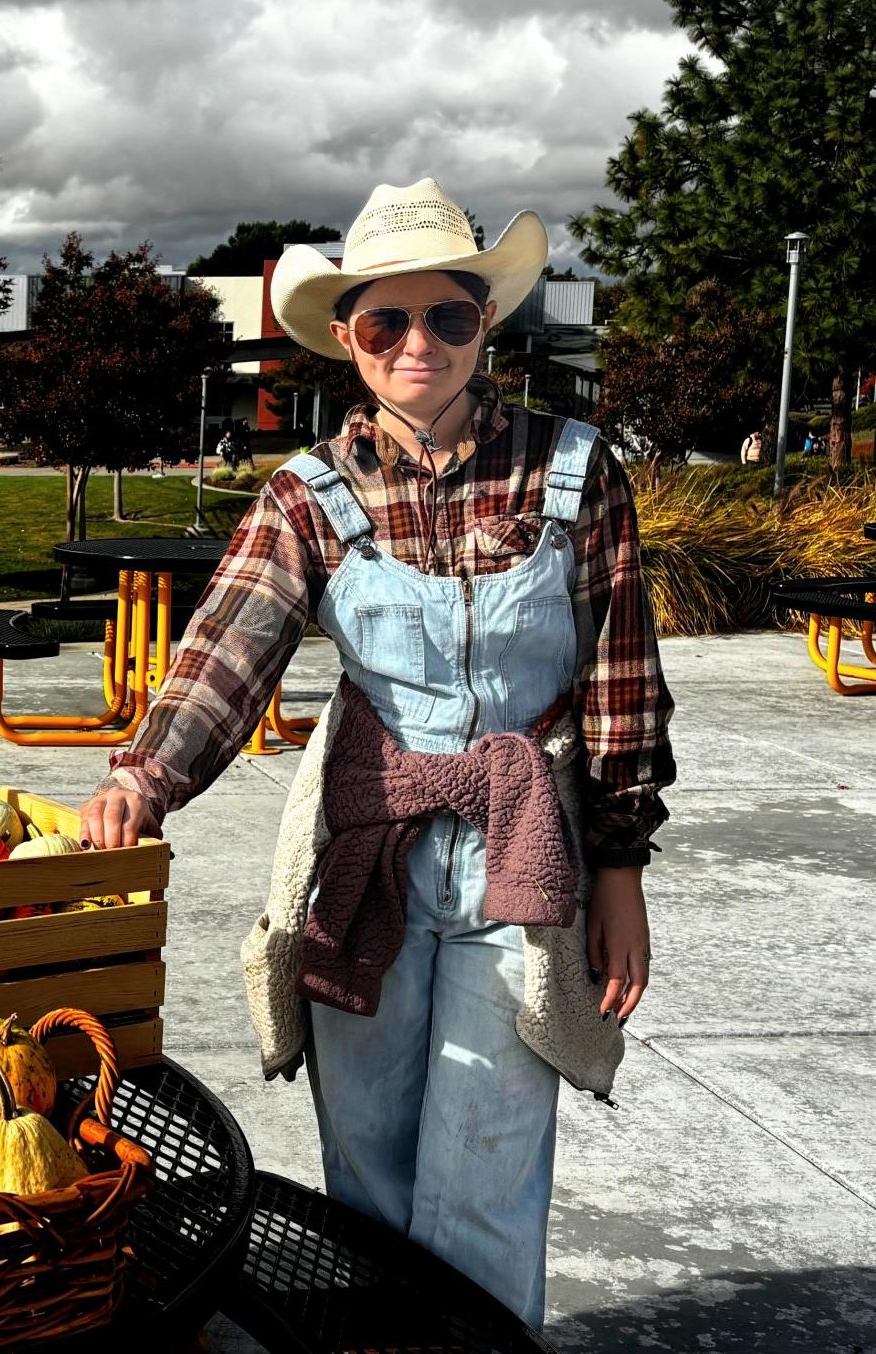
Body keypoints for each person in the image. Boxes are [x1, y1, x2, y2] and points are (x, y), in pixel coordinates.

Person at [80, 179, 674, 1329]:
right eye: (385, 322)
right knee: (366, 1166)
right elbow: (229, 646)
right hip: (368, 858)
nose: (419, 344)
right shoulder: (308, 495)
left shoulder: (574, 469)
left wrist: (619, 869)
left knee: (490, 1162)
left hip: (524, 856)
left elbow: (620, 680)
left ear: (483, 325)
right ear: (345, 336)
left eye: (447, 317)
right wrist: (142, 776)